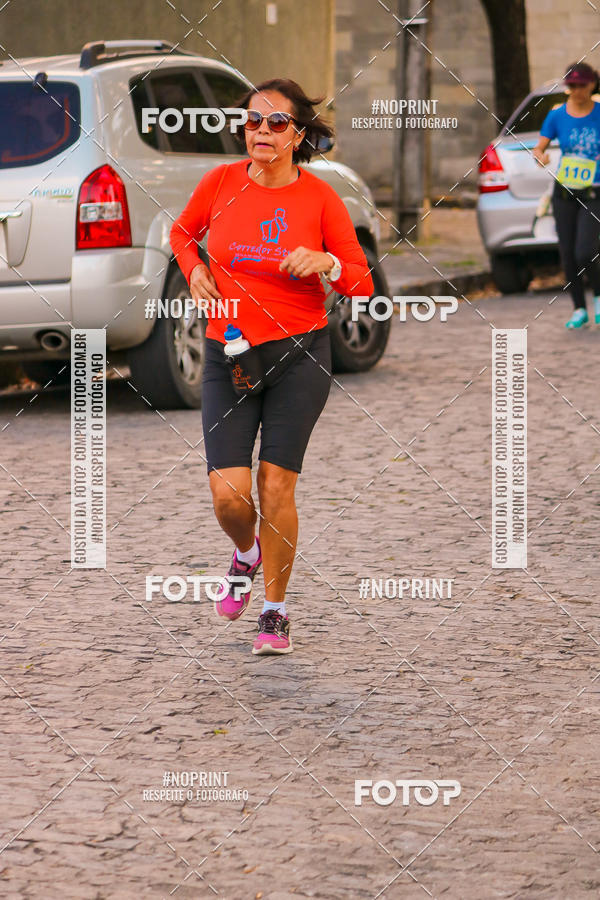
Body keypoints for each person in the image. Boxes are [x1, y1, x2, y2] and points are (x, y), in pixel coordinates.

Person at [170, 78, 374, 656]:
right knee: (230, 497)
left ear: (298, 136)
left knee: (276, 484)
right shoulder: (220, 183)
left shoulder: (321, 199)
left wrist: (327, 260)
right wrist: (194, 271)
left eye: (276, 124)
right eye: (253, 121)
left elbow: (360, 279)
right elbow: (183, 233)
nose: (260, 131)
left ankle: (276, 610)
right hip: (229, 353)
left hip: (300, 355)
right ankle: (245, 553)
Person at [533, 62, 600, 328]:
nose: (576, 91)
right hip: (564, 191)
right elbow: (539, 148)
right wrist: (541, 157)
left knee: (586, 251)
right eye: (571, 86)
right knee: (568, 253)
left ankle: (597, 295)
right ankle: (578, 309)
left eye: (581, 85)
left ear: (592, 84)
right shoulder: (557, 116)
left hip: (594, 191)